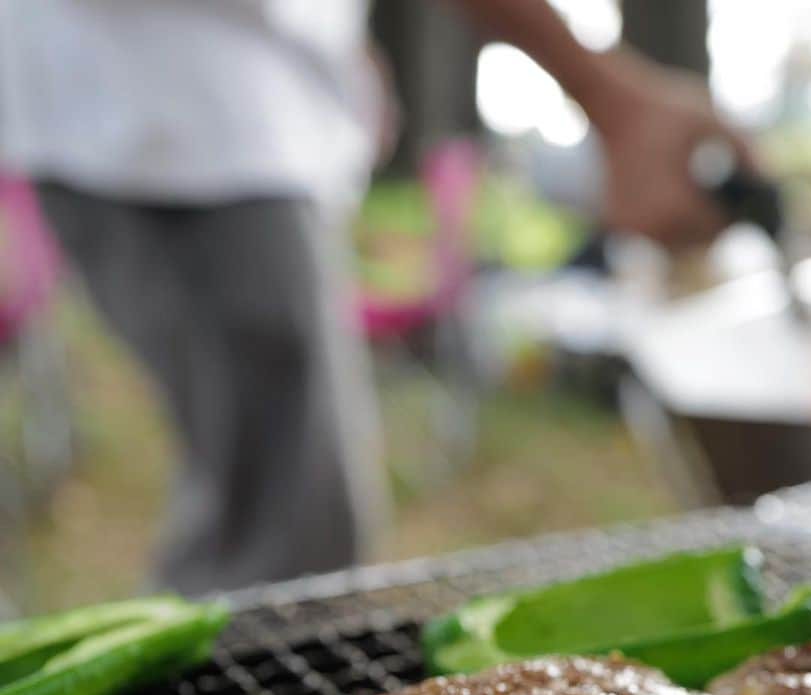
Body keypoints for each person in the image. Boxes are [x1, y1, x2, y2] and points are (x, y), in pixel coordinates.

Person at [0, 0, 744, 595]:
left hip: (228, 116)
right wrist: (605, 91)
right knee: (283, 543)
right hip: (175, 117)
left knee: (291, 531)